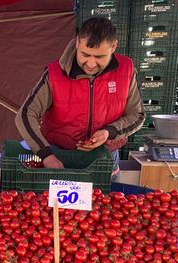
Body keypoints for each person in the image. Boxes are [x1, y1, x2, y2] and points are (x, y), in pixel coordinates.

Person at [15, 17, 144, 176]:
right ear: (77, 43)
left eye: (99, 57)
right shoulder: (54, 74)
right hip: (57, 155)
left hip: (104, 158)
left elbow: (137, 115)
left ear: (114, 47)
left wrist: (109, 132)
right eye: (85, 54)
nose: (90, 64)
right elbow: (25, 115)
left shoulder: (127, 70)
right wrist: (45, 155)